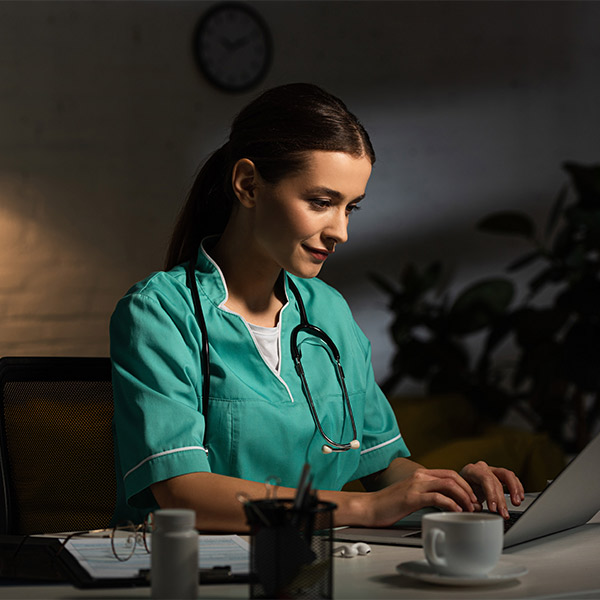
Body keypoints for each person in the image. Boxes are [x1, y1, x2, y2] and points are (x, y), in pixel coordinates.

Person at [110, 83, 524, 530]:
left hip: (320, 566)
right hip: (194, 575)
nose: (340, 231)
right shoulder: (159, 314)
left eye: (351, 209)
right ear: (248, 185)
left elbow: (381, 462)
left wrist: (446, 488)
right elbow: (181, 491)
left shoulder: (329, 312)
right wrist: (365, 509)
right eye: (322, 202)